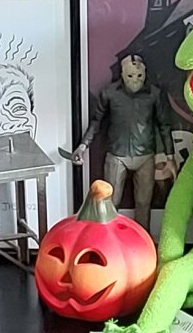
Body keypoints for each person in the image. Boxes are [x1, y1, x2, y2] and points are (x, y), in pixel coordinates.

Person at [72, 55, 176, 229]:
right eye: (130, 75)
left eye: (139, 75)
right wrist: (83, 146)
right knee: (110, 203)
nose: (135, 80)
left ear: (145, 74)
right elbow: (96, 122)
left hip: (145, 155)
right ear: (122, 74)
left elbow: (164, 125)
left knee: (144, 204)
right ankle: (109, 239)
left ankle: (142, 241)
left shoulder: (154, 94)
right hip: (117, 155)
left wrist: (170, 156)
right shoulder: (110, 93)